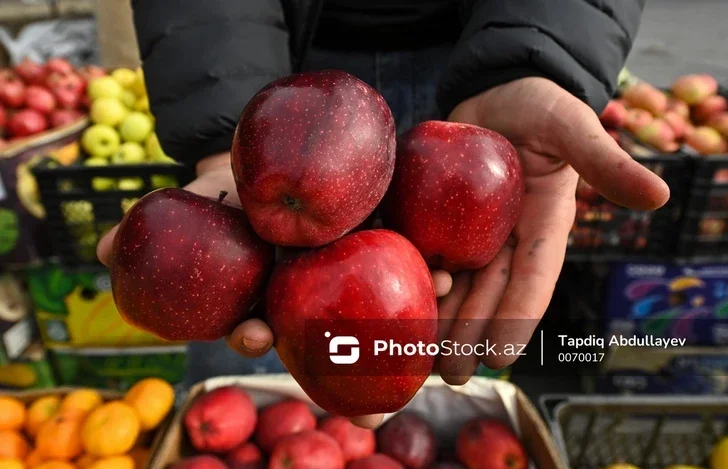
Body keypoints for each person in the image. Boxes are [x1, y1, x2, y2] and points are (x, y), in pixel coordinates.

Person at [96, 0, 669, 426]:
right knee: (248, 404)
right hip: (276, 74)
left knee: (459, 380)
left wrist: (536, 57)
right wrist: (227, 132)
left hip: (474, 55)